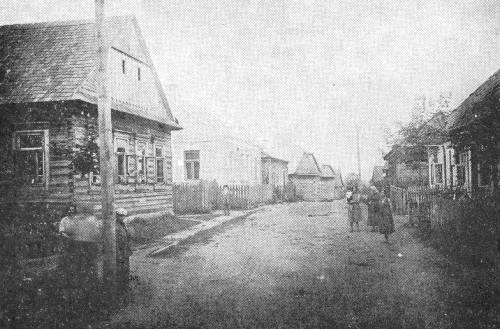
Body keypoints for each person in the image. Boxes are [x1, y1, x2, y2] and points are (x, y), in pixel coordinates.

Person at [115, 207, 132, 299]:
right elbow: (115, 242)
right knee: (119, 272)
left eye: (123, 216)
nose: (122, 218)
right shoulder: (114, 226)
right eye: (120, 216)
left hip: (125, 251)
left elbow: (128, 237)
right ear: (116, 216)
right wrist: (118, 254)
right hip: (119, 252)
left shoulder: (123, 225)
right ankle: (119, 291)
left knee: (126, 271)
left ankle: (125, 289)